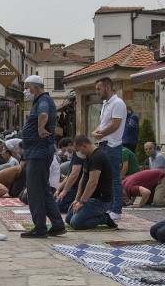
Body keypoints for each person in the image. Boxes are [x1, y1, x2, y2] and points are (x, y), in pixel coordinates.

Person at [20, 75, 65, 238]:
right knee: (44, 190)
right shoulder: (41, 100)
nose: (25, 91)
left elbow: (44, 115)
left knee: (34, 191)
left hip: (38, 153)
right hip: (39, 152)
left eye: (27, 87)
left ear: (36, 87)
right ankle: (57, 224)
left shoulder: (43, 101)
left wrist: (40, 128)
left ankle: (40, 227)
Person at [90, 76, 126, 221]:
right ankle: (109, 207)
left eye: (99, 89)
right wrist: (95, 132)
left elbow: (115, 124)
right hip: (104, 144)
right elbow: (104, 124)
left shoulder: (118, 103)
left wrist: (101, 134)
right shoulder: (106, 104)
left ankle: (116, 210)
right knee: (105, 179)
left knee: (114, 179)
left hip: (112, 145)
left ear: (107, 87)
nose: (97, 92)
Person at [66, 135, 117, 230]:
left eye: (79, 150)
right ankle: (91, 213)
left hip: (101, 200)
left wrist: (82, 202)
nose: (79, 153)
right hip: (90, 198)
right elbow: (83, 179)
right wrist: (77, 200)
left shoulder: (98, 157)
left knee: (76, 223)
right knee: (68, 219)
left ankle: (104, 218)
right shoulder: (88, 157)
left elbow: (93, 182)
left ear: (84, 146)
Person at [55, 134, 88, 214]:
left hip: (78, 187)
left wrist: (64, 191)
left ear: (71, 145)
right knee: (55, 203)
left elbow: (74, 174)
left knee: (58, 207)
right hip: (74, 186)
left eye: (66, 150)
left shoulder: (78, 154)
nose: (66, 153)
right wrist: (59, 189)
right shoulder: (74, 156)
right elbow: (69, 176)